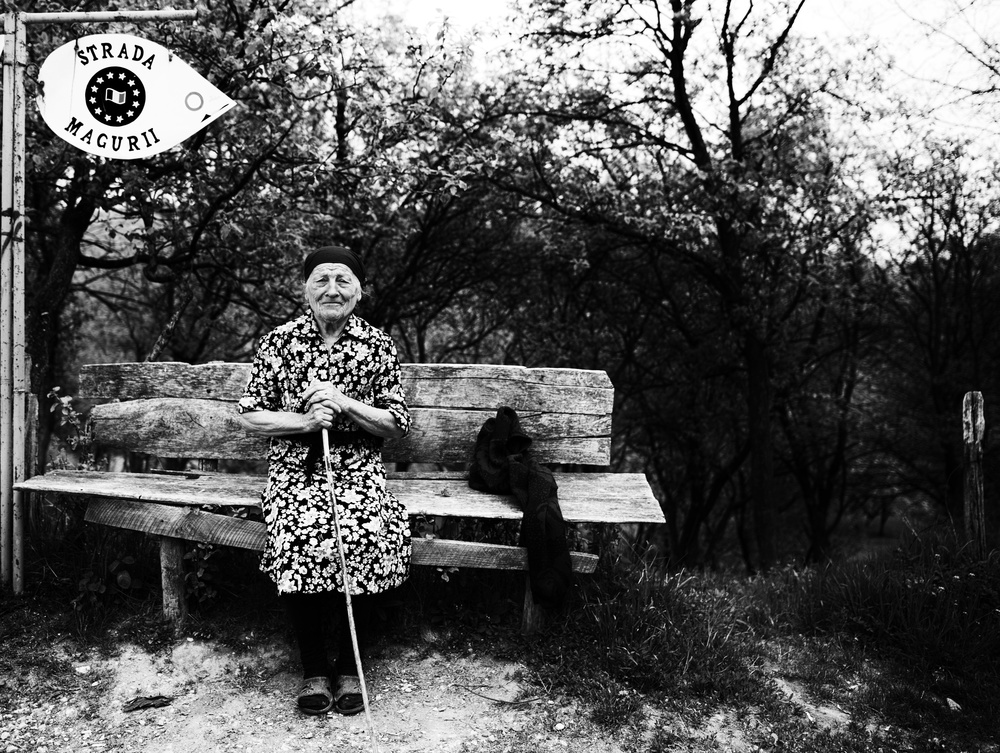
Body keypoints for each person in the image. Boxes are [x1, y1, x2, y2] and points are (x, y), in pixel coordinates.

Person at [236, 246, 411, 716]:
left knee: (368, 530)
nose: (332, 289)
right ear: (305, 290)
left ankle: (350, 666)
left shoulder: (378, 345)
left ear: (360, 291)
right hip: (295, 468)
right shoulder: (278, 342)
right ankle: (314, 667)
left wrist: (345, 403)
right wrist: (307, 422)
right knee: (298, 529)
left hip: (357, 467)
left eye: (343, 279)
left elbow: (396, 423)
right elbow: (250, 415)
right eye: (321, 279)